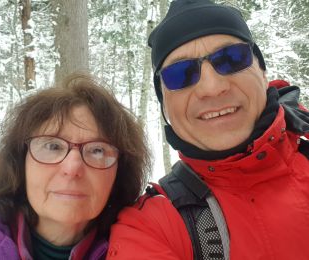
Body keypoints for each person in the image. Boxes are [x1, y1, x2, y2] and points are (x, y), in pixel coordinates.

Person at [107, 0, 309, 259]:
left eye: (232, 59)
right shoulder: (150, 227)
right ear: (164, 106)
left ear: (262, 72)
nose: (212, 87)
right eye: (181, 74)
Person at [0, 72, 150, 260]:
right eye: (53, 146)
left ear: (119, 174)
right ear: (19, 163)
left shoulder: (145, 249)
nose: (72, 168)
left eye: (97, 150)